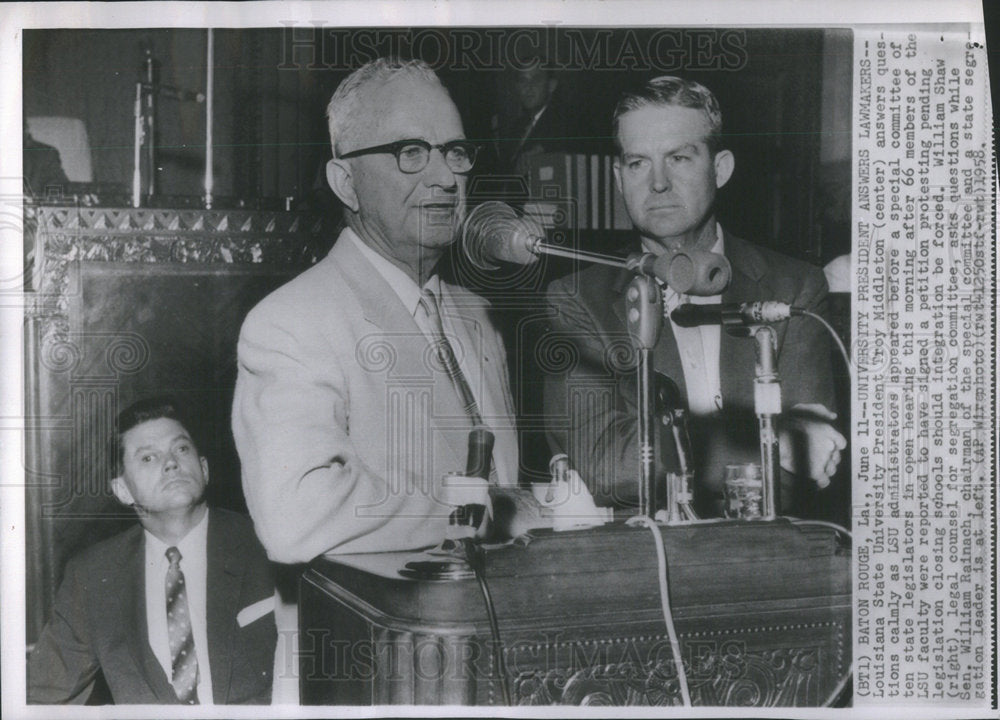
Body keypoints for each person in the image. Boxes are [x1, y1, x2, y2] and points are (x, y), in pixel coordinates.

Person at [232, 58, 520, 564]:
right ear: (346, 183)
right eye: (410, 152)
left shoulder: (479, 315)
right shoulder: (291, 323)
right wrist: (486, 514)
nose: (445, 177)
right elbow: (295, 515)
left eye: (454, 152)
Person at [543, 76, 846, 514]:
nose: (658, 182)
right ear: (617, 177)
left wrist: (787, 445)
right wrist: (772, 437)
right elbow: (608, 467)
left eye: (679, 158)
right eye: (637, 164)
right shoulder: (575, 299)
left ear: (720, 168)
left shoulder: (794, 287)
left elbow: (812, 465)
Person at [28, 397, 277, 704]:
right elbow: (41, 700)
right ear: (122, 490)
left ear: (204, 468)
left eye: (181, 448)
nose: (171, 462)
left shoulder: (268, 544)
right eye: (148, 458)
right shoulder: (92, 576)